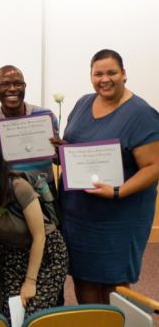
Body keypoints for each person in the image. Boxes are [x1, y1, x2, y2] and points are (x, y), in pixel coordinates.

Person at [50, 49, 159, 304]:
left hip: (118, 213)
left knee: (113, 279)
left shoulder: (141, 113)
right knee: (82, 274)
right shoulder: (84, 102)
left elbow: (154, 167)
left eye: (112, 72)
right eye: (98, 74)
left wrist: (118, 191)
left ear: (124, 74)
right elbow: (81, 146)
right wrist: (62, 152)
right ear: (91, 77)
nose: (105, 79)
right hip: (79, 210)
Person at [0, 134, 68, 321]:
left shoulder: (18, 187)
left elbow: (39, 237)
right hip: (11, 255)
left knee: (35, 315)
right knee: (12, 317)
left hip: (47, 251)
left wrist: (30, 281)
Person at [0, 66, 58, 190]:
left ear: (24, 86)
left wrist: (61, 152)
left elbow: (57, 161)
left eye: (17, 83)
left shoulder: (46, 117)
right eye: (5, 84)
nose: (12, 89)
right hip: (9, 200)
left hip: (47, 197)